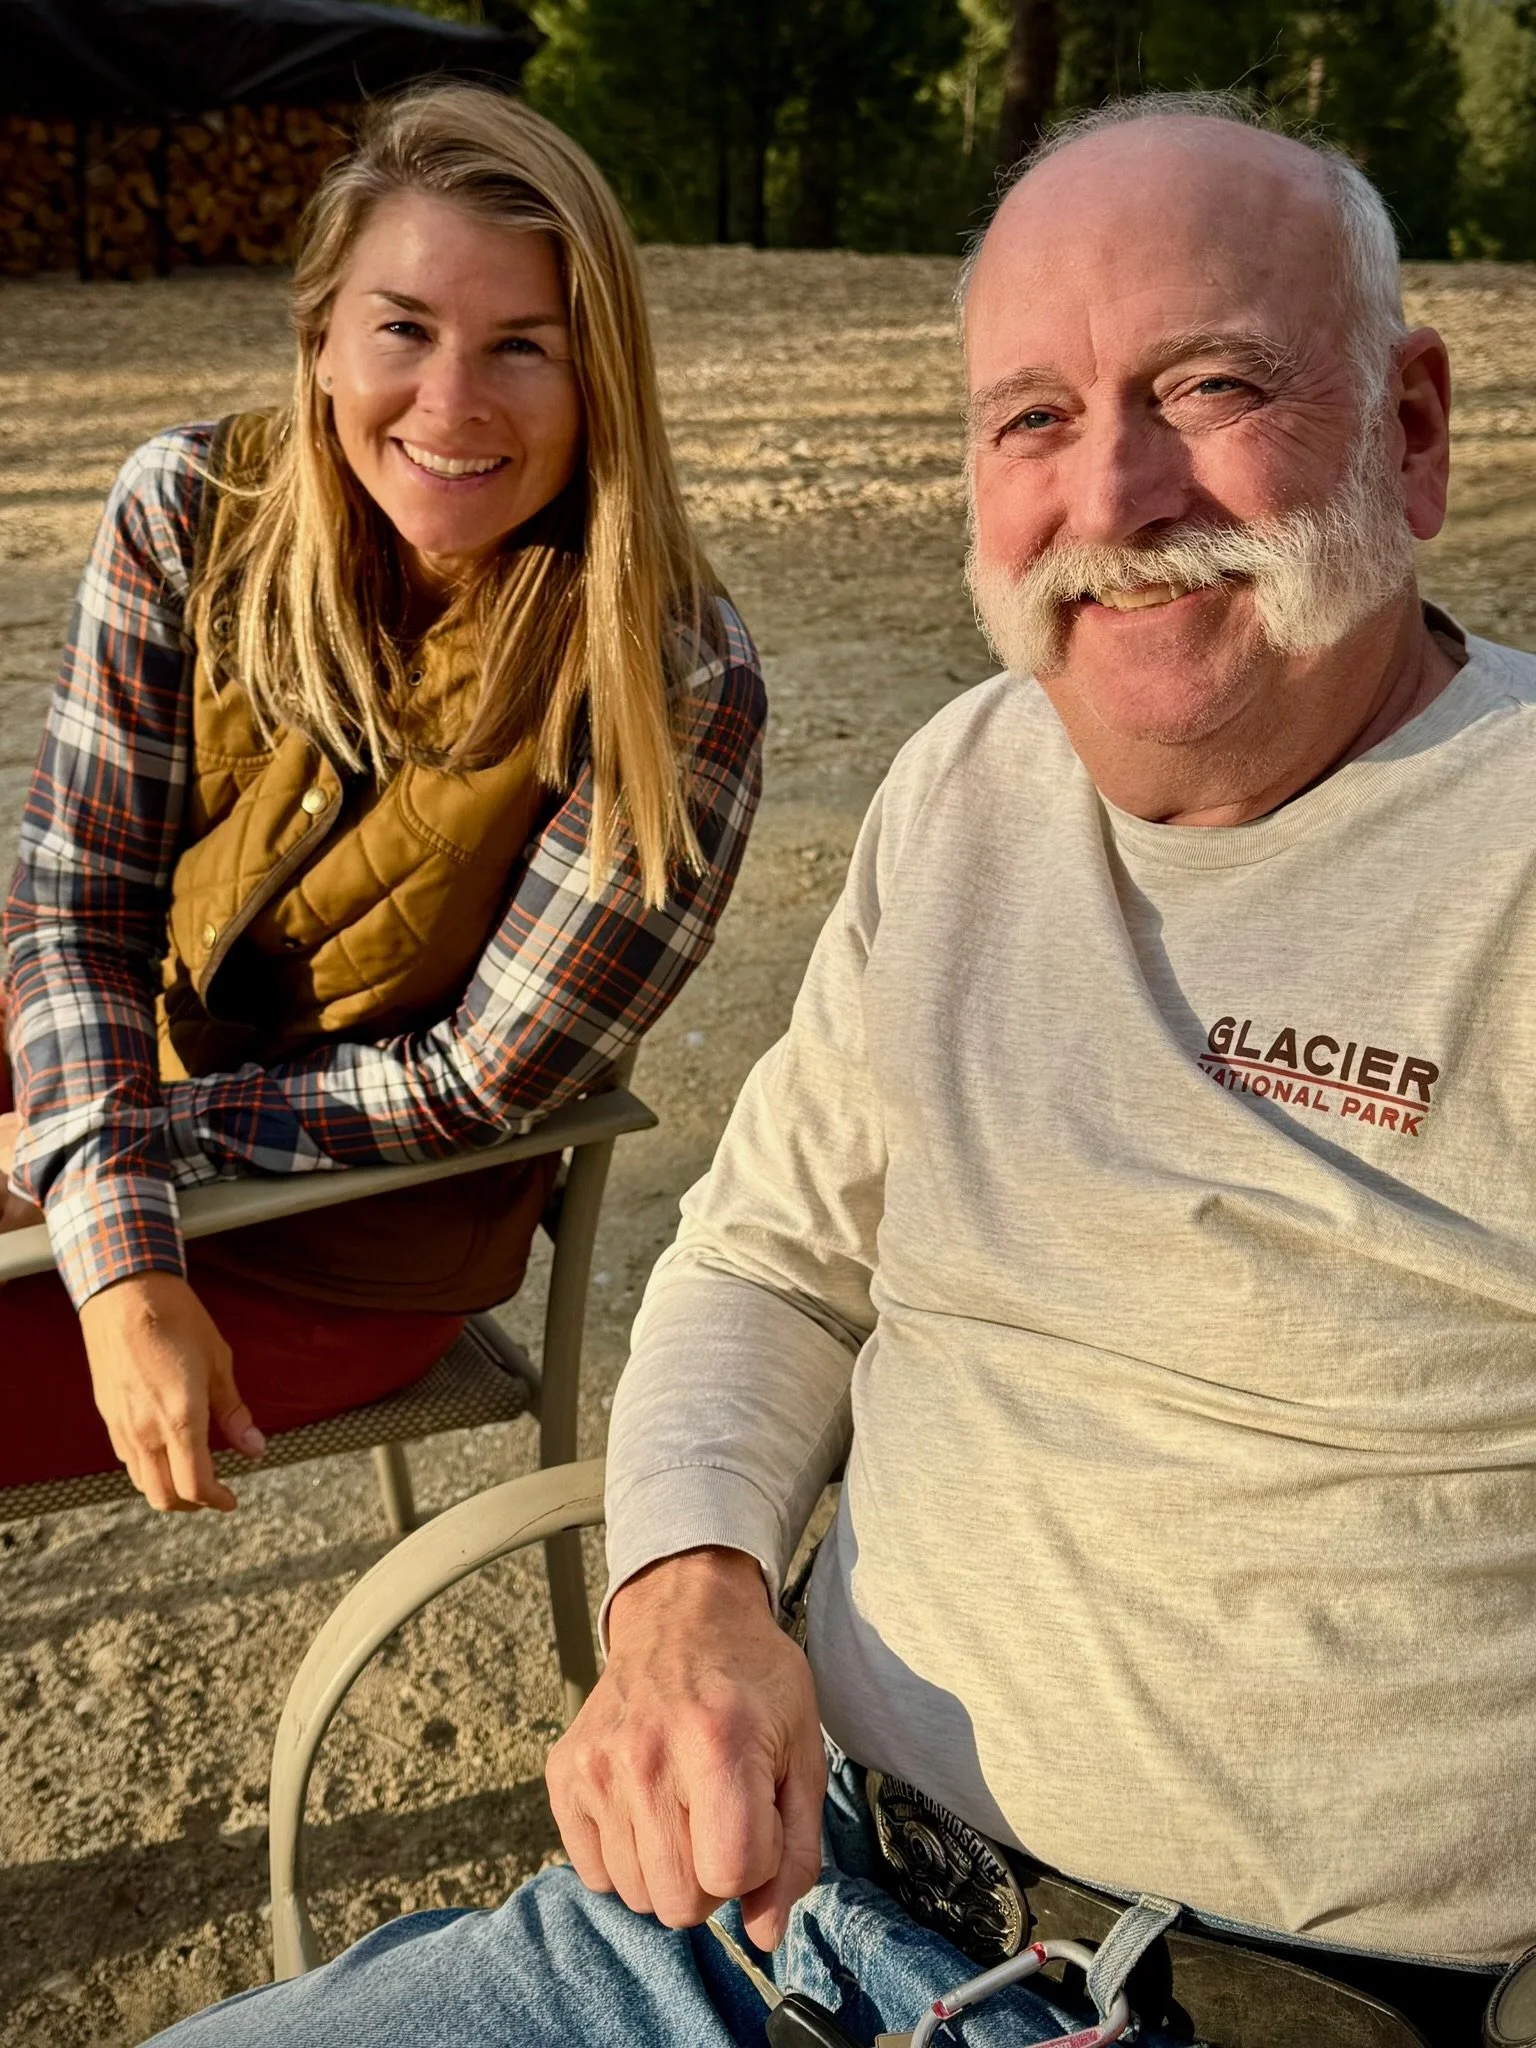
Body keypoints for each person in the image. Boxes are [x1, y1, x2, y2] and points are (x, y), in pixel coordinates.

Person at [147, 92, 1536, 2048]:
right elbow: (768, 1262)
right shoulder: (974, 786)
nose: (1115, 495)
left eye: (1210, 382)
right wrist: (691, 1585)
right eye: (1032, 417)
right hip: (763, 1929)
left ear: (1406, 430)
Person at [0, 83, 765, 1515]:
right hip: (135, 1075)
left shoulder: (670, 680)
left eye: (523, 348)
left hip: (348, 1230)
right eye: (403, 328)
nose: (453, 403)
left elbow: (481, 1082)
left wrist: (100, 1181)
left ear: (602, 375)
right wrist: (118, 1237)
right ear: (319, 336)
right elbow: (75, 909)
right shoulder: (183, 511)